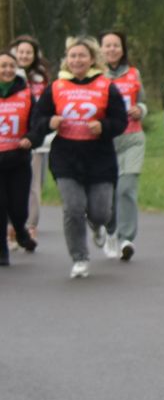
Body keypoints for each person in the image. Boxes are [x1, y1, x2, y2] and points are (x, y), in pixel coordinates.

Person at [28, 36, 128, 279]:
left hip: (99, 157)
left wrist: (103, 126)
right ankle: (80, 258)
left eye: (82, 55)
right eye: (72, 56)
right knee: (73, 208)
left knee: (100, 212)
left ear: (92, 59)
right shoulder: (56, 87)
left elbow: (121, 121)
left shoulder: (106, 86)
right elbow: (37, 120)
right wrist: (49, 123)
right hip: (66, 157)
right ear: (66, 61)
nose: (77, 60)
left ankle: (99, 226)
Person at [99, 29, 147, 260]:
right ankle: (109, 231)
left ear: (123, 48)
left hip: (132, 138)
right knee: (107, 194)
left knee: (126, 188)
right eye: (107, 45)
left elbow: (143, 102)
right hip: (104, 142)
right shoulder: (95, 77)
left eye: (116, 45)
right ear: (100, 50)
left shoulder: (134, 74)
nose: (112, 49)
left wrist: (141, 110)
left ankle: (126, 238)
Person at [11, 35, 50, 244]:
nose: (24, 55)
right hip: (10, 140)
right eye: (20, 52)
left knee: (35, 183)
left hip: (37, 141)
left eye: (28, 52)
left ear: (35, 56)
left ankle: (30, 225)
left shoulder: (41, 80)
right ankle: (12, 226)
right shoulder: (7, 75)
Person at [0, 50, 38, 264]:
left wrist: (31, 137)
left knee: (18, 207)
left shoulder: (25, 93)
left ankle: (21, 233)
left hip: (18, 160)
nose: (6, 70)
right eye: (2, 66)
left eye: (10, 66)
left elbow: (36, 122)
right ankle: (2, 251)